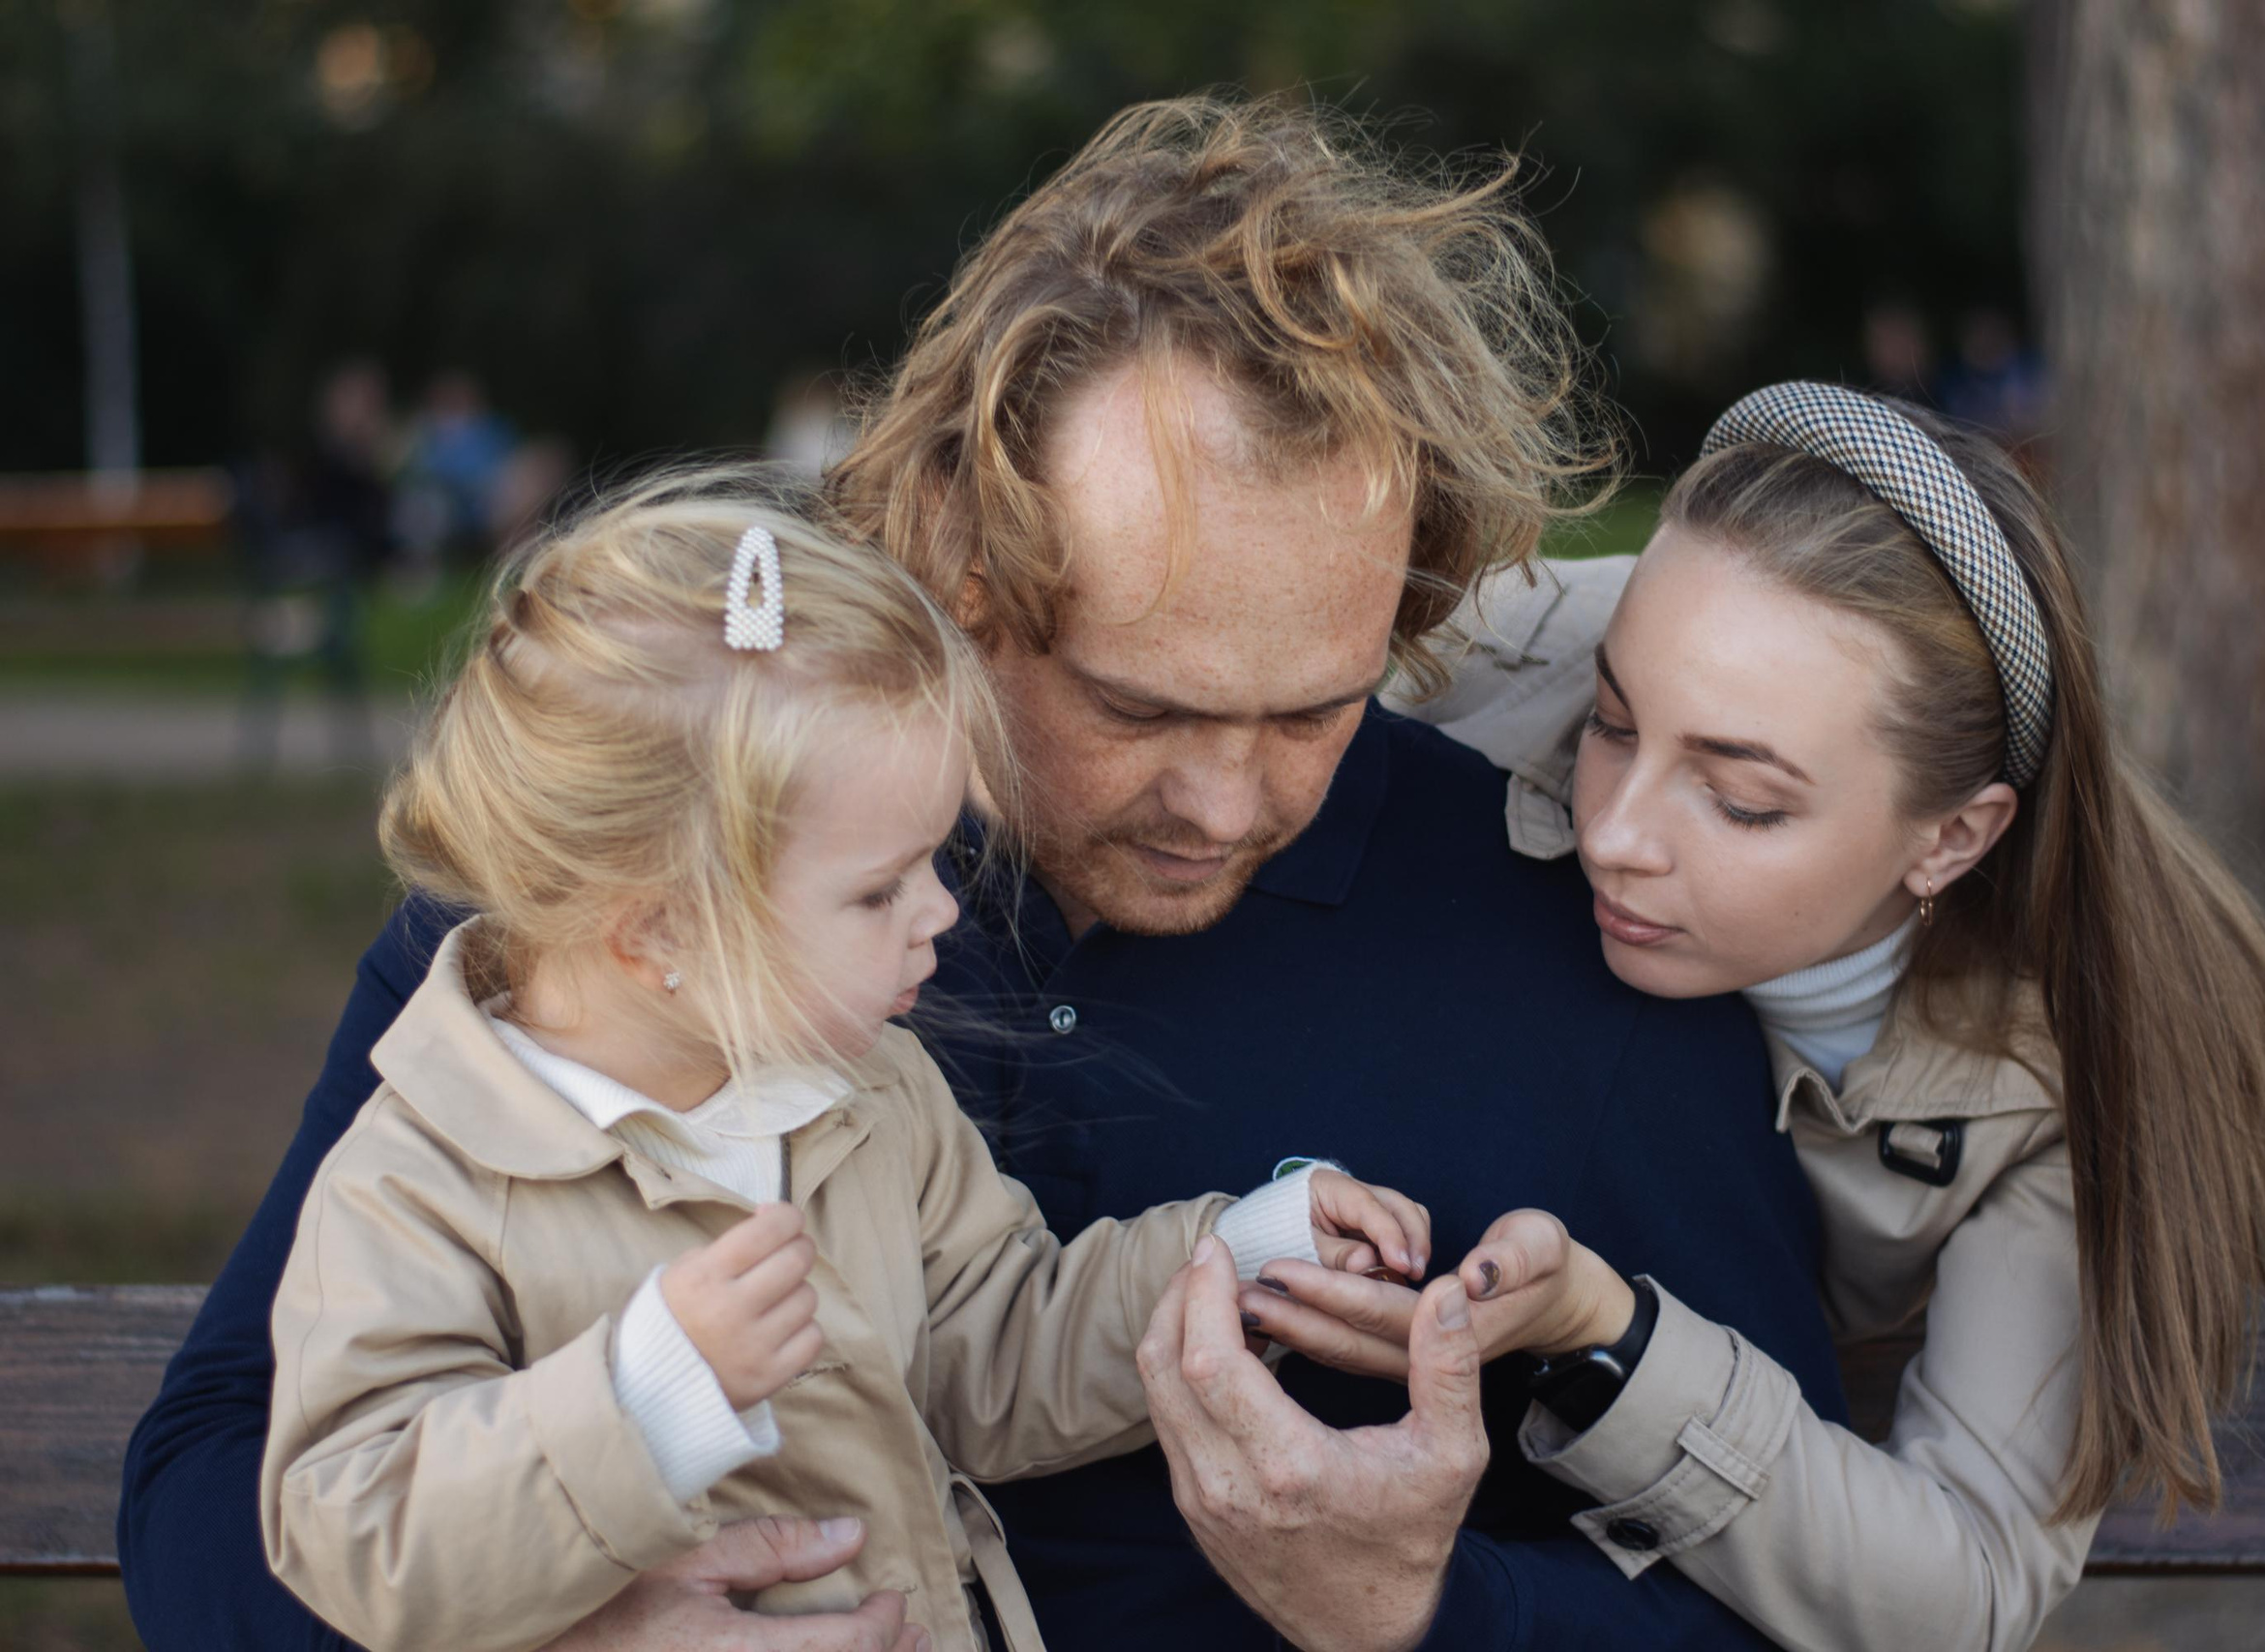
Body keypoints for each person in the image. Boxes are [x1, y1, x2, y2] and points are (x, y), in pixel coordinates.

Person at [120, 98, 1848, 1652]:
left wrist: (1433, 1610)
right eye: (1135, 703)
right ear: (955, 549)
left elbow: (1807, 1603)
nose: (1228, 800)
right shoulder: (621, 884)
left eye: (1313, 708)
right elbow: (215, 1478)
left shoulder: (1589, 958)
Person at [1252, 381, 2265, 1652]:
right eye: (1611, 723)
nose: (1615, 832)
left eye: (1744, 801)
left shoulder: (2046, 1086)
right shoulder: (1496, 654)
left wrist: (1608, 1333)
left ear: (1951, 837)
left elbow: (1971, 1577)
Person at [257, 471, 1430, 1652]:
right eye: (878, 889)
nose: (941, 915)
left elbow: (992, 1343)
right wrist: (645, 1396)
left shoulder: (867, 1093)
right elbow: (360, 1528)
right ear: (659, 930)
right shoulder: (429, 1183)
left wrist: (1235, 1260)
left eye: (931, 860)